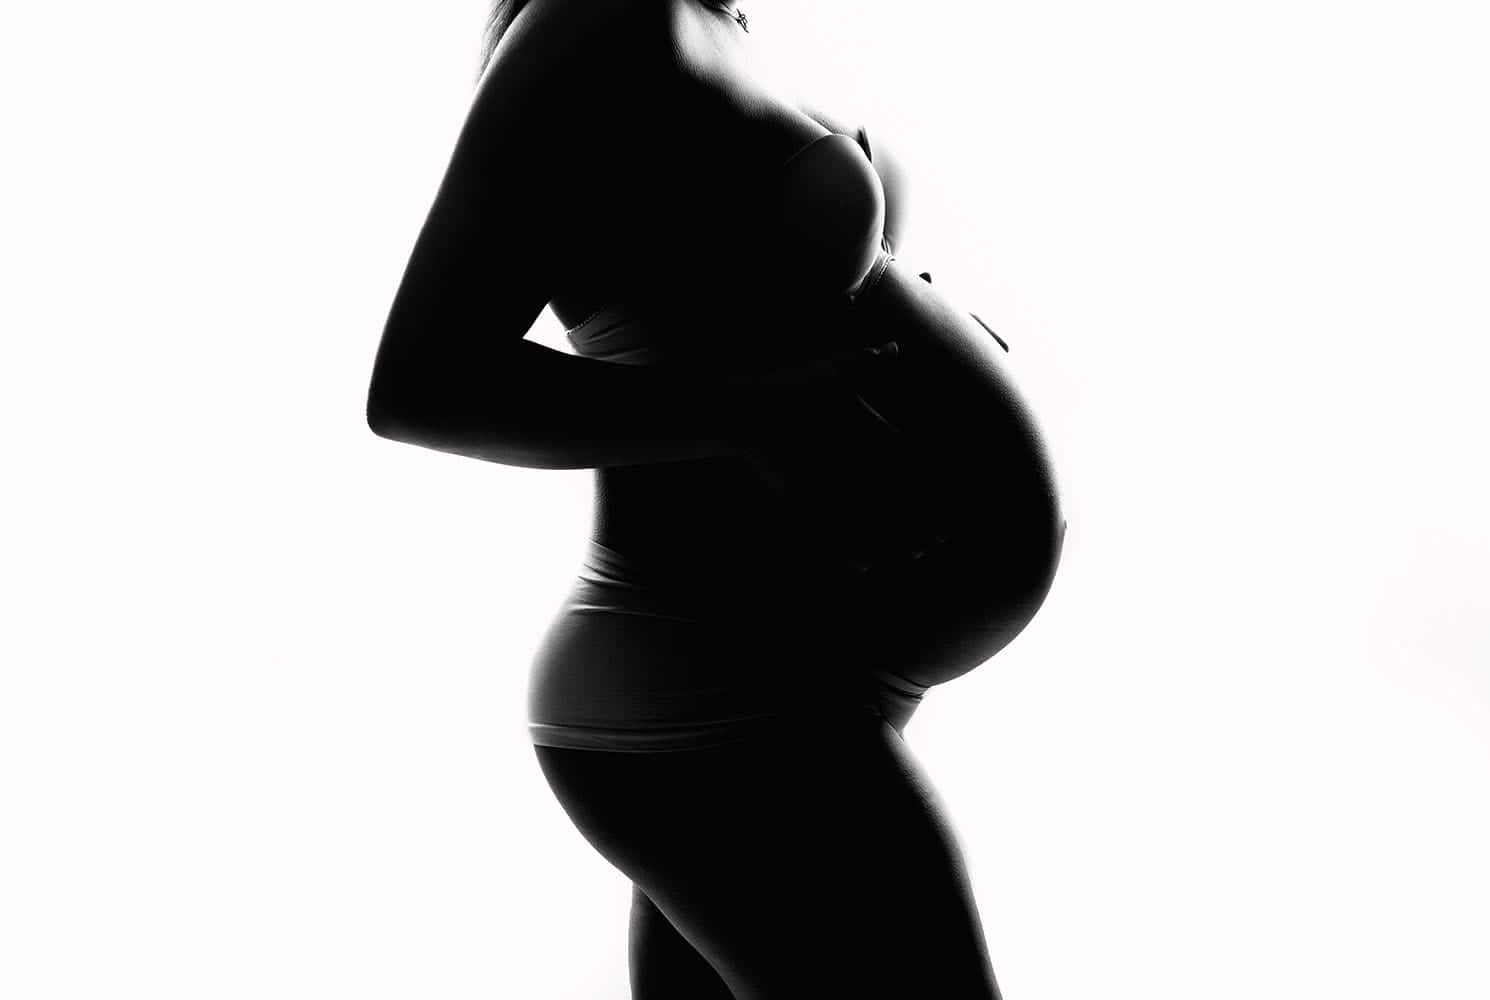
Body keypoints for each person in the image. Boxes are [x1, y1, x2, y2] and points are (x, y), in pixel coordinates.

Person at [366, 0, 1066, 995]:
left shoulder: (713, 19)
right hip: (731, 690)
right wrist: (753, 417)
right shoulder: (605, 19)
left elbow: (726, 299)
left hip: (771, 683)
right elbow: (421, 382)